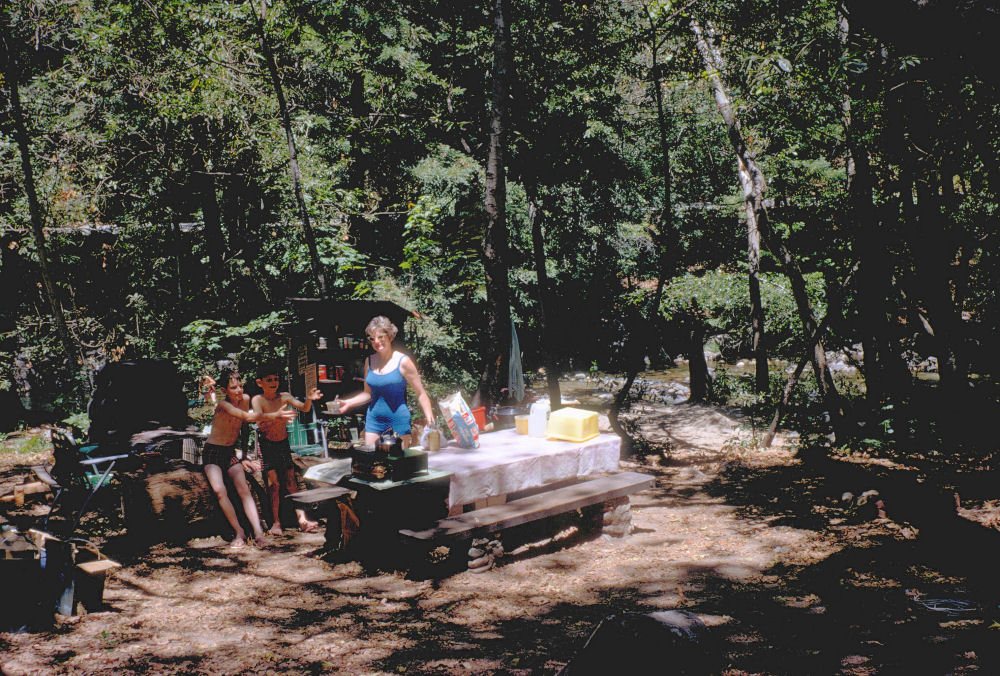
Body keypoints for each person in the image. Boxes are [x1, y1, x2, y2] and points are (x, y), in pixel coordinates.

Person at [203, 367, 295, 549]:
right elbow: (246, 416)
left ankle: (259, 534)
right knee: (219, 490)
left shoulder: (245, 400)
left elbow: (244, 427)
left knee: (244, 489)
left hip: (230, 453)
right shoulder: (223, 405)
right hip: (213, 453)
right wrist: (275, 415)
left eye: (240, 386)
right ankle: (239, 532)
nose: (238, 391)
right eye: (233, 388)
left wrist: (244, 455)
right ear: (224, 391)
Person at [334, 315, 435, 448]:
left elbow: (421, 393)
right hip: (374, 420)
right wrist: (348, 402)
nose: (376, 341)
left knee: (397, 464)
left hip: (398, 420)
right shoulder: (369, 361)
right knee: (371, 462)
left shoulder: (403, 361)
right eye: (372, 338)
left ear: (390, 337)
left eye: (380, 337)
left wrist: (430, 420)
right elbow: (367, 393)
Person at [252, 364, 322, 535]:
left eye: (276, 379)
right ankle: (276, 523)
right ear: (260, 382)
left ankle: (302, 519)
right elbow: (259, 422)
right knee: (274, 484)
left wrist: (309, 399)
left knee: (291, 482)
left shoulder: (284, 397)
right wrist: (277, 418)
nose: (273, 383)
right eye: (269, 380)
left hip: (283, 444)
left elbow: (304, 408)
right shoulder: (257, 400)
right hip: (267, 446)